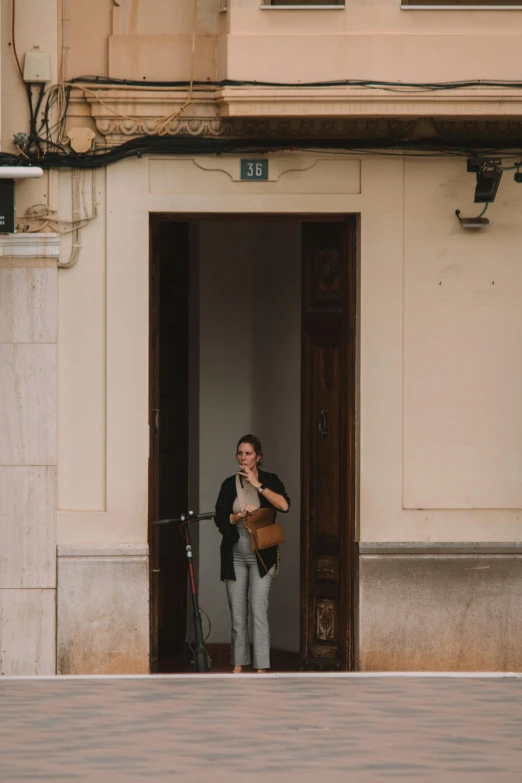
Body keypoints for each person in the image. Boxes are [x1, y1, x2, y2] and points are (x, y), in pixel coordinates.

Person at [215, 435, 290, 673]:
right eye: (240, 453)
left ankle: (261, 667)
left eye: (248, 453)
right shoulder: (229, 484)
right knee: (238, 614)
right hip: (235, 553)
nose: (243, 458)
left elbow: (284, 506)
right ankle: (238, 664)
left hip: (262, 554)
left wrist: (258, 485)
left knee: (258, 610)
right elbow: (220, 518)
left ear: (258, 456)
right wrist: (237, 516)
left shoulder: (270, 480)